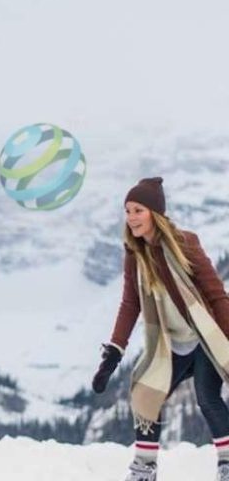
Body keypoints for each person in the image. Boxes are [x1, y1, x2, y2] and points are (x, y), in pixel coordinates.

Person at [93, 177, 229, 481]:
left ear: (154, 213)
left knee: (207, 397)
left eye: (137, 210)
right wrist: (113, 352)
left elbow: (217, 295)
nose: (130, 217)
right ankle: (144, 468)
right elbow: (130, 304)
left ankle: (227, 463)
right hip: (171, 343)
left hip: (204, 338)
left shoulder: (185, 243)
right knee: (145, 393)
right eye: (127, 210)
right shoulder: (134, 254)